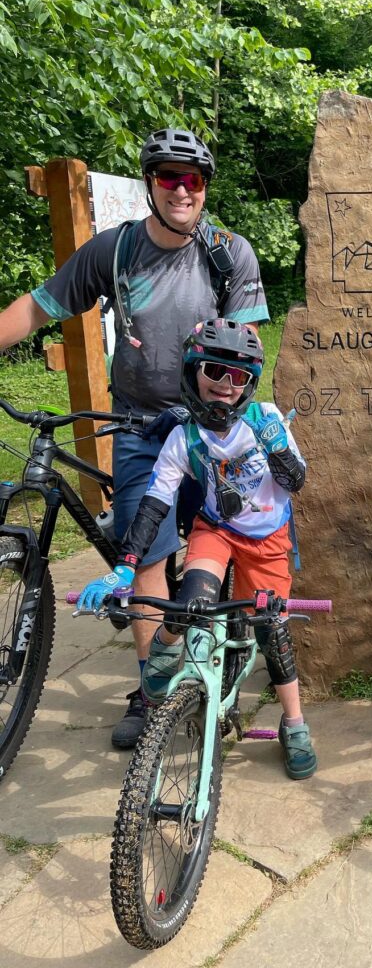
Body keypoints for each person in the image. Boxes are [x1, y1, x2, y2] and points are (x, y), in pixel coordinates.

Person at [0, 128, 269, 747]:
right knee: (143, 552)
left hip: (210, 427)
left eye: (193, 179)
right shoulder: (114, 252)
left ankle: (219, 652)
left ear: (204, 187)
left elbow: (248, 353)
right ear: (151, 183)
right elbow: (41, 306)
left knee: (217, 539)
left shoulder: (228, 253)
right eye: (169, 177)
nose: (181, 189)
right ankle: (151, 691)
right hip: (138, 424)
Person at [76, 319, 316, 780]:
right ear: (193, 372)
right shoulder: (183, 436)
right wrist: (125, 567)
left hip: (267, 539)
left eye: (239, 376)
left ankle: (294, 723)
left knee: (272, 629)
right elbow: (153, 504)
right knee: (191, 602)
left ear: (251, 382)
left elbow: (297, 483)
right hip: (217, 528)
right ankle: (164, 655)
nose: (226, 385)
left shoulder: (265, 418)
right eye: (214, 371)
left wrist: (278, 452)